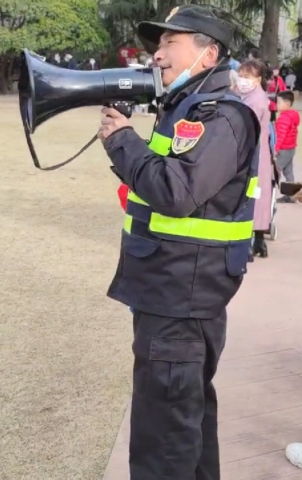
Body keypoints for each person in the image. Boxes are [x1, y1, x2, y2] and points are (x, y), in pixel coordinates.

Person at [98, 6, 260, 479]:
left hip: (181, 299)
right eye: (159, 43)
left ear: (208, 54)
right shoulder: (186, 109)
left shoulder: (221, 117)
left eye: (172, 42)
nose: (159, 53)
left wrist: (125, 142)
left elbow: (176, 192)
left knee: (162, 439)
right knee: (185, 422)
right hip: (174, 292)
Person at [236, 60, 272, 258]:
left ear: (258, 79)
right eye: (241, 75)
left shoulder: (255, 101)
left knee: (250, 195)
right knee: (259, 195)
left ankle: (248, 244)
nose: (242, 80)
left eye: (247, 77)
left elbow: (245, 128)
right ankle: (258, 241)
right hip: (259, 152)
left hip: (253, 152)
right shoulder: (252, 96)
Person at [274, 90, 300, 203]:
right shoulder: (293, 115)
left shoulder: (284, 118)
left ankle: (269, 192)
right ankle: (290, 195)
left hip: (284, 149)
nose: (277, 105)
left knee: (275, 170)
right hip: (290, 148)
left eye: (279, 102)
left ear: (287, 104)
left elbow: (281, 136)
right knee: (288, 172)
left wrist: (275, 149)